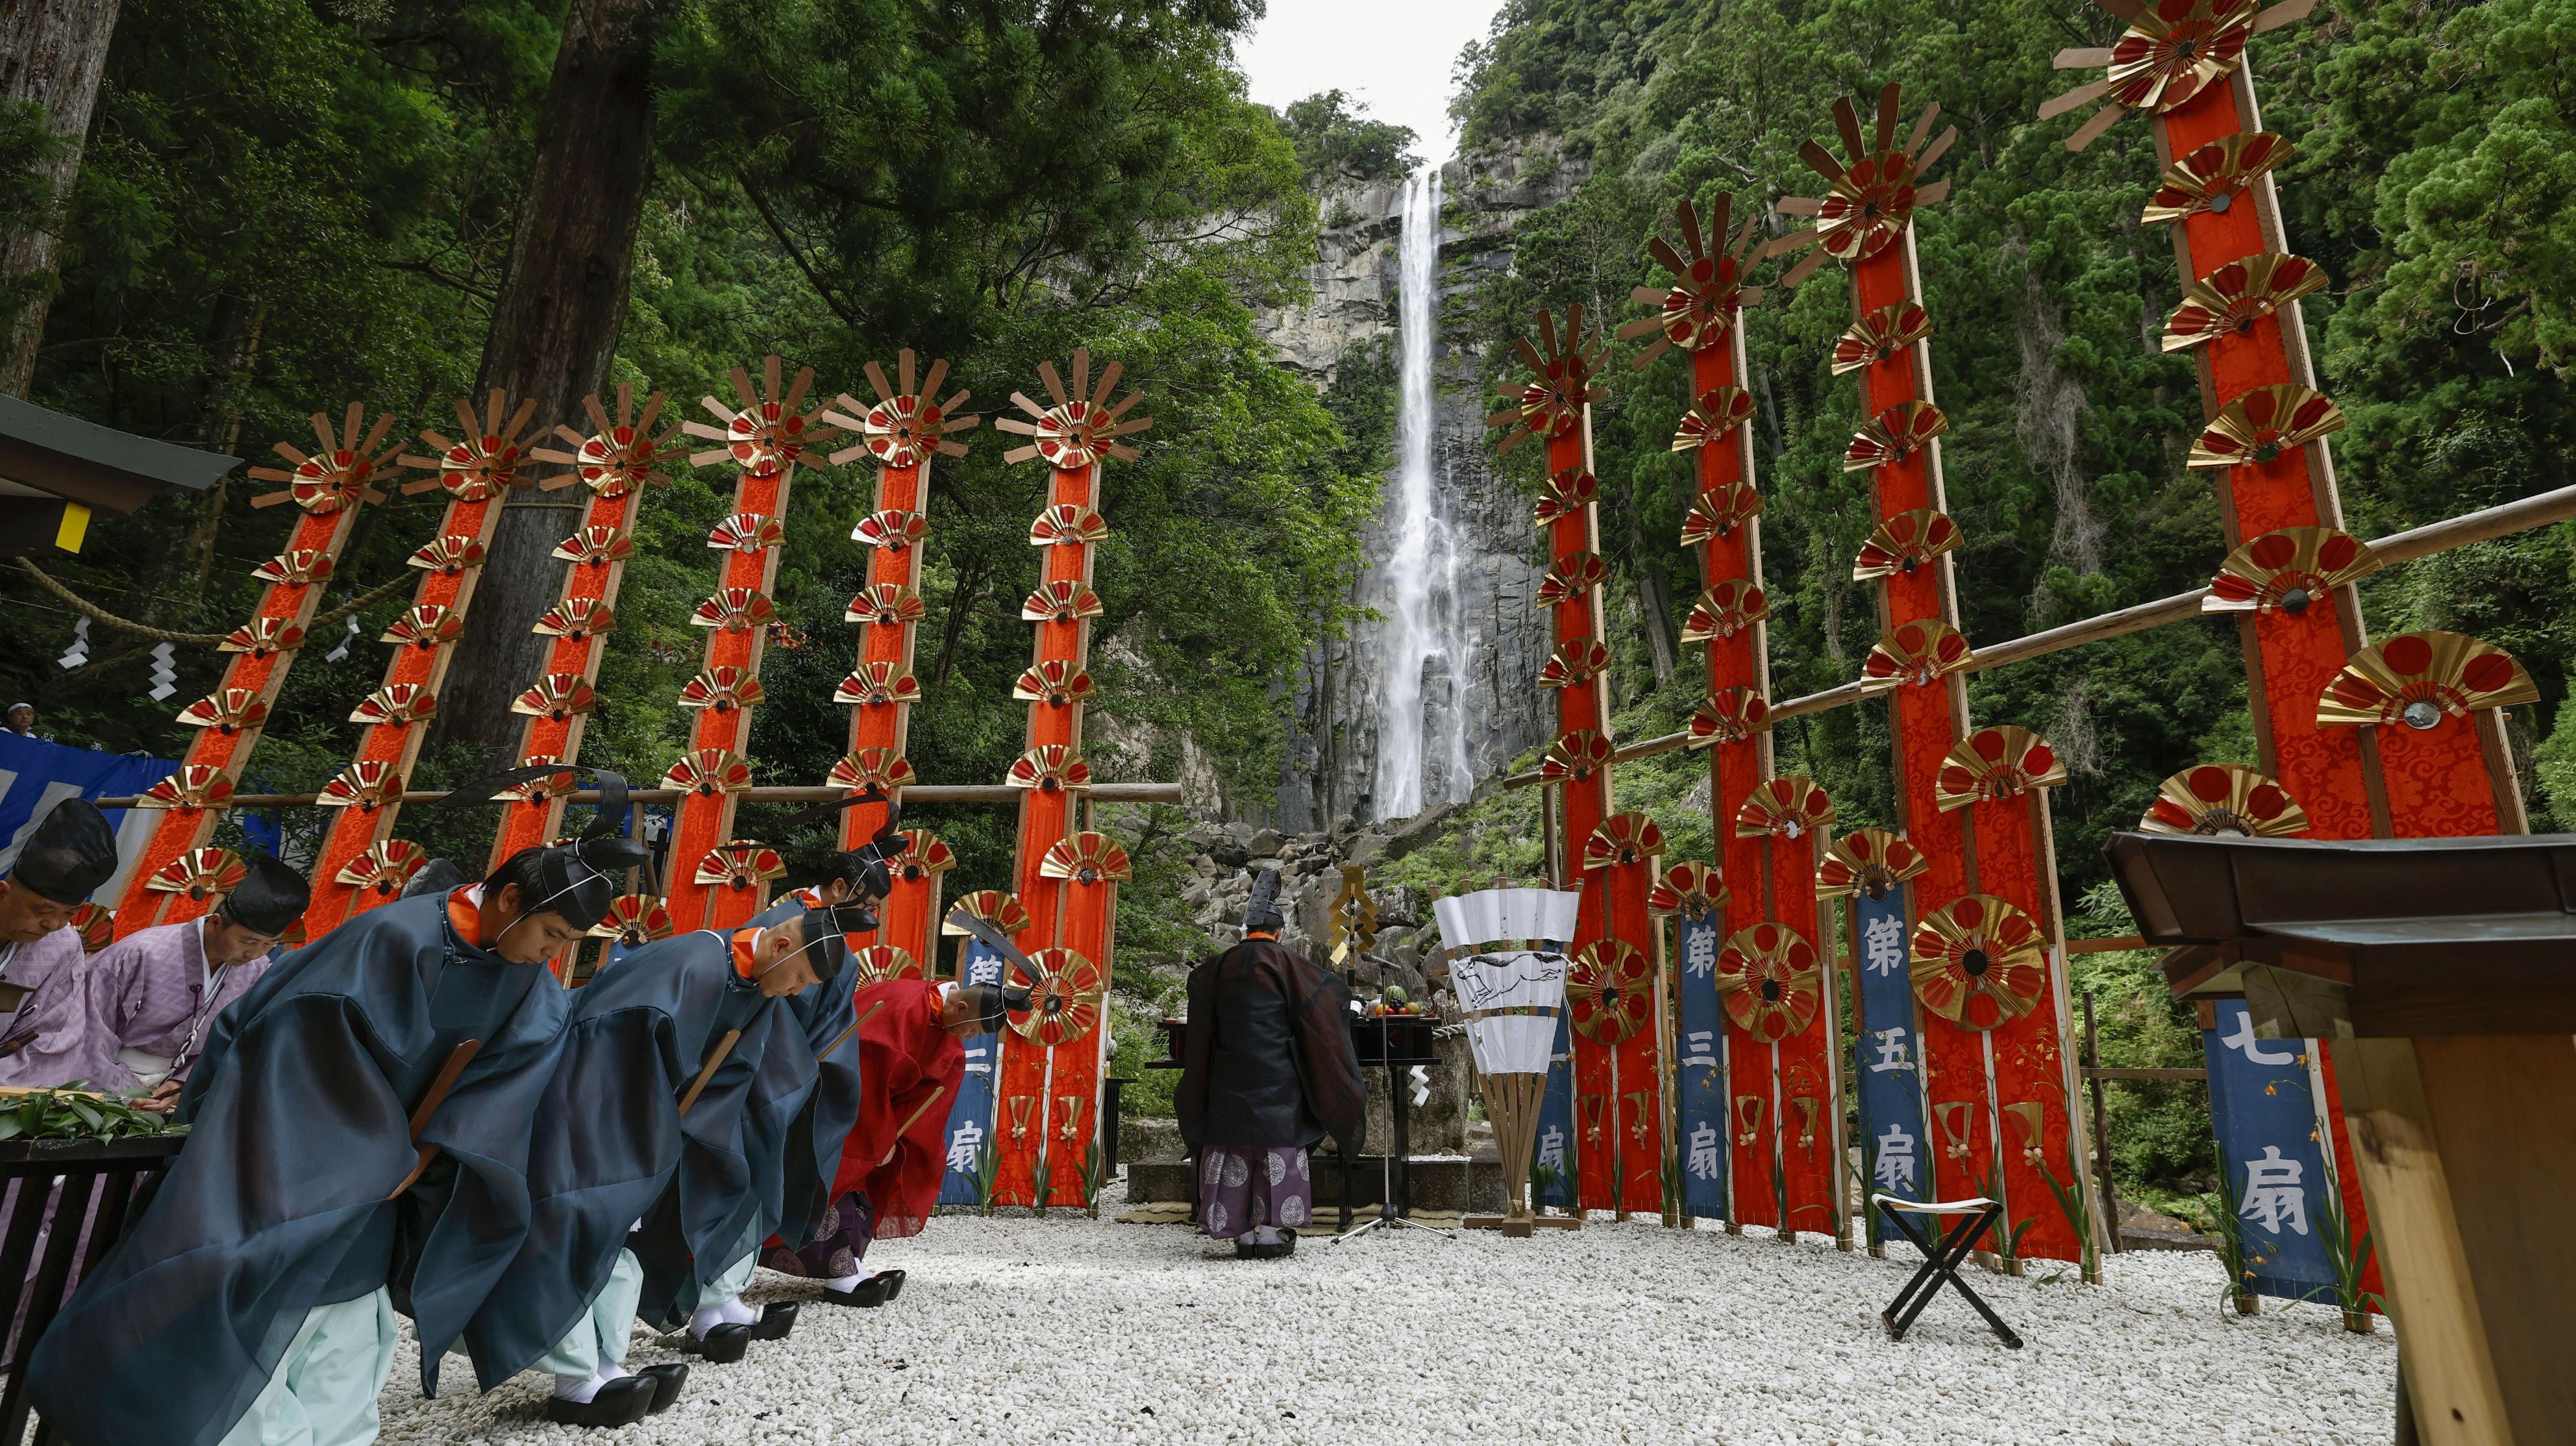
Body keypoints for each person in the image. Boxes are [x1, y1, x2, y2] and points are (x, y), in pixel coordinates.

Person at [27, 832, 646, 1446]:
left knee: (349, 1327)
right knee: (245, 1296)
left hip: (387, 1173)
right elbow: (300, 1049)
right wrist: (379, 1152)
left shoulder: (526, 977)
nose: (552, 957)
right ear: (510, 898)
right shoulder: (392, 939)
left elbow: (516, 1067)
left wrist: (427, 1152)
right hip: (292, 1153)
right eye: (553, 937)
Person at [482, 904, 859, 1426]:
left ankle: (604, 1365)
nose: (797, 991)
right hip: (591, 1107)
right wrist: (652, 1121)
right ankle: (575, 1378)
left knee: (620, 1240)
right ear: (780, 947)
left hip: (642, 1122)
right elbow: (614, 1043)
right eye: (799, 977)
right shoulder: (694, 961)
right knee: (577, 1230)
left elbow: (730, 1072)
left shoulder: (752, 983)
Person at [765, 975, 1010, 1303]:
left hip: (875, 1117)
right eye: (972, 1030)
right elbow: (860, 1073)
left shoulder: (945, 1031)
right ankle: (838, 1272)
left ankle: (848, 1264)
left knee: (862, 1187)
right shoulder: (903, 1003)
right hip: (833, 1105)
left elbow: (929, 1095)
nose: (968, 1038)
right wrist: (877, 1135)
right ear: (962, 1007)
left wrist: (895, 1134)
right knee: (829, 1180)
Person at [0, 851, 306, 1099]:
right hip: (100, 1081)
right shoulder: (142, 953)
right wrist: (125, 1091)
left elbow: (236, 1038)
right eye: (248, 941)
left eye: (268, 945)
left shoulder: (257, 970)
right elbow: (86, 1029)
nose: (254, 954)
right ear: (215, 923)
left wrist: (183, 1086)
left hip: (171, 1091)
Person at [1176, 867, 1366, 1259]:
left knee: (1235, 1152)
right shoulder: (1289, 964)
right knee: (1277, 1153)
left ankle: (1242, 1236)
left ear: (1246, 931)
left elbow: (1198, 1001)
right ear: (1279, 933)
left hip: (1228, 1076)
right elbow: (1327, 999)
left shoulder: (1219, 967)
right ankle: (1272, 1235)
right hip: (1278, 1077)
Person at [0, 798, 117, 1037]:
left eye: (70, 913)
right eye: (42, 911)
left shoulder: (64, 945)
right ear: (3, 892)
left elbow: (53, 1031)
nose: (53, 924)